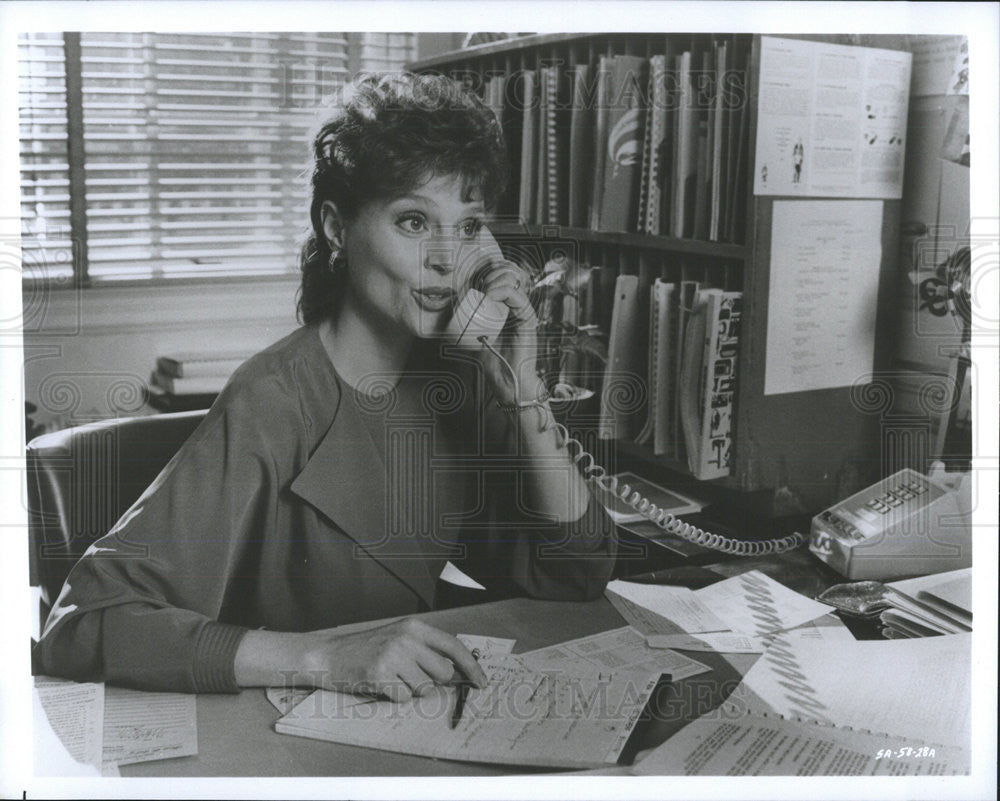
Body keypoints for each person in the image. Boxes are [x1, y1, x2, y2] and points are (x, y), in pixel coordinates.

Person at [34, 72, 617, 700]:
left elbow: (577, 572)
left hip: (398, 725)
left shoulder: (461, 381)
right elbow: (83, 626)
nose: (449, 257)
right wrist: (320, 656)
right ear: (337, 228)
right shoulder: (274, 399)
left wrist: (523, 389)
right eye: (415, 221)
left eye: (470, 225)